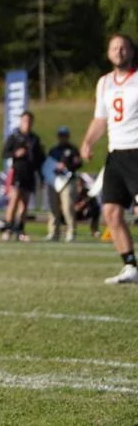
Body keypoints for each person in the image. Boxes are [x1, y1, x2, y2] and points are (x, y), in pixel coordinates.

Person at [79, 33, 138, 284]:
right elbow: (101, 119)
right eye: (115, 48)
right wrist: (88, 141)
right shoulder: (104, 83)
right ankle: (130, 266)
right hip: (116, 154)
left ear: (131, 52)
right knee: (111, 211)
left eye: (123, 48)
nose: (119, 52)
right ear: (108, 53)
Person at [0, 111, 45, 242]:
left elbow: (40, 159)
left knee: (25, 204)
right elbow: (4, 153)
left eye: (29, 121)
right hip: (17, 172)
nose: (27, 123)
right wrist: (16, 153)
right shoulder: (14, 136)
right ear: (21, 121)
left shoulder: (34, 139)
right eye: (25, 120)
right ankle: (8, 228)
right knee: (14, 200)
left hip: (30, 173)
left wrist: (41, 176)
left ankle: (20, 230)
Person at [43, 126, 82, 242]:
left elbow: (78, 163)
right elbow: (48, 165)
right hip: (54, 180)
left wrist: (68, 166)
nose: (62, 138)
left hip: (68, 180)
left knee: (67, 207)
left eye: (64, 135)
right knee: (53, 207)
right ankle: (53, 232)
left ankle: (71, 231)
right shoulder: (53, 150)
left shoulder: (73, 149)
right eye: (61, 135)